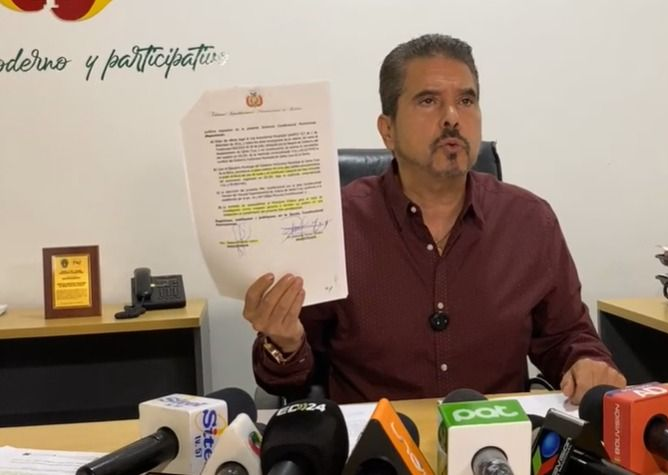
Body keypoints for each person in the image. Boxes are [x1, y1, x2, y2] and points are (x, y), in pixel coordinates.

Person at [243, 33, 625, 405]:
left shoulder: (528, 221)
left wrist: (585, 362)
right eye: (428, 101)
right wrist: (284, 343)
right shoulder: (333, 225)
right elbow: (288, 377)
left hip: (495, 437)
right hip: (374, 441)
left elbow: (566, 336)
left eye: (466, 100)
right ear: (388, 131)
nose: (452, 118)